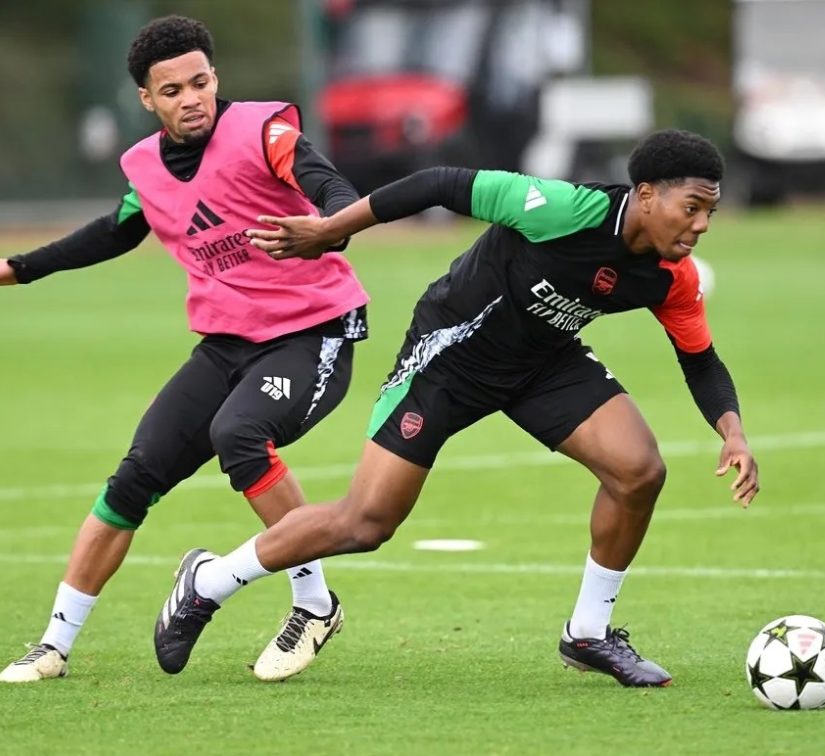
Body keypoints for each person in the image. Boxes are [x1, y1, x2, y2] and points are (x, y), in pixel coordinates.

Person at [153, 129, 761, 687]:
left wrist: (731, 432)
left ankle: (588, 634)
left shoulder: (671, 278)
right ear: (648, 196)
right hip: (450, 355)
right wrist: (333, 227)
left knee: (639, 471)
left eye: (710, 210)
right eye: (693, 207)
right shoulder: (561, 208)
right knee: (366, 523)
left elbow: (700, 360)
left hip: (544, 362)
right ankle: (208, 582)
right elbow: (439, 182)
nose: (703, 223)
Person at [0, 15, 368, 684]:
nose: (192, 98)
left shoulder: (266, 132)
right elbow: (114, 232)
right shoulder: (145, 166)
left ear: (215, 78)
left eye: (201, 82)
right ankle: (54, 644)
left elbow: (331, 189)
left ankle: (314, 605)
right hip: (227, 344)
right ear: (147, 99)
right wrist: (18, 266)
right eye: (172, 90)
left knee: (240, 432)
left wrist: (329, 228)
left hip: (313, 332)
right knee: (132, 480)